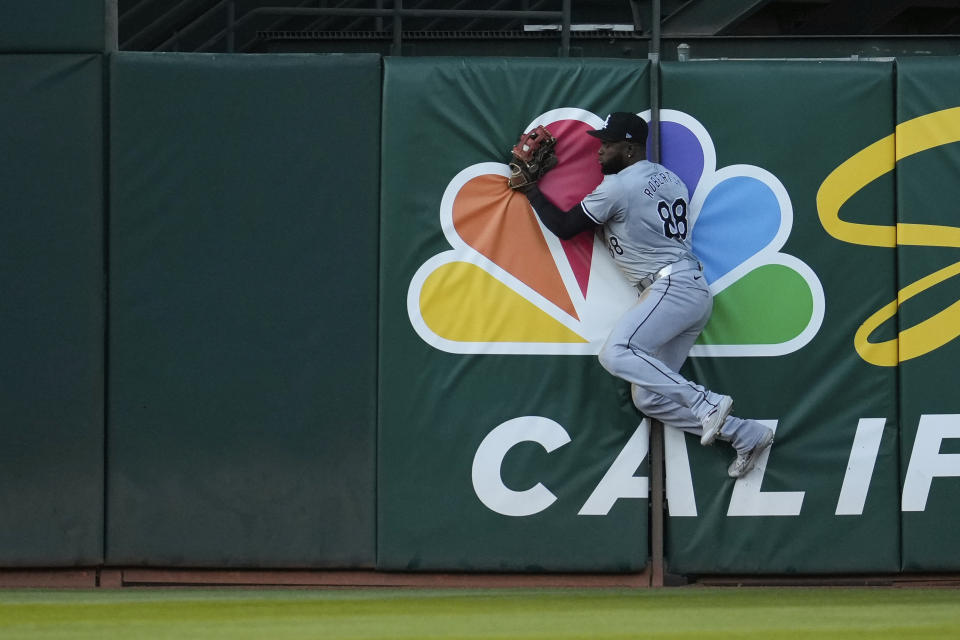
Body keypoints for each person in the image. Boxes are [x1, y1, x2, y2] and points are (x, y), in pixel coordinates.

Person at [518, 112, 774, 478]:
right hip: (689, 290)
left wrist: (531, 190)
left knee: (615, 353)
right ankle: (745, 434)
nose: (599, 151)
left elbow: (565, 227)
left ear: (631, 148)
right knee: (649, 397)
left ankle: (706, 402)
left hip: (670, 286)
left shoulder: (619, 186)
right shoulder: (669, 178)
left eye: (608, 144)